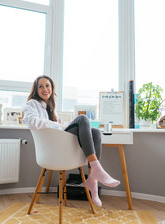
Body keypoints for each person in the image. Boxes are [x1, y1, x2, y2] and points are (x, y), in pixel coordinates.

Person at [23, 75, 120, 207]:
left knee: (96, 132)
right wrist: (58, 126)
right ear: (35, 90)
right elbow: (31, 121)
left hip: (60, 145)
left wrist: (58, 124)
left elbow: (52, 127)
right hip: (53, 151)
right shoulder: (32, 104)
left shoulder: (49, 108)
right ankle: (97, 170)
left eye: (47, 86)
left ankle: (93, 180)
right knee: (82, 119)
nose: (45, 89)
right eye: (41, 86)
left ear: (52, 88)